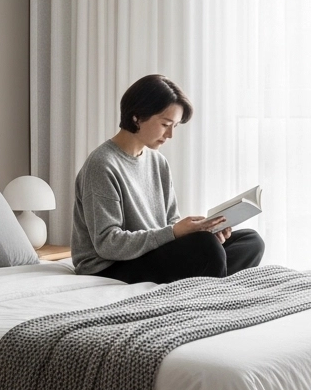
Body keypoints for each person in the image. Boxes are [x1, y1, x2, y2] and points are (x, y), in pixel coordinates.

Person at [71, 73, 264, 283]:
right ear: (137, 116)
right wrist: (177, 233)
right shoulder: (102, 164)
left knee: (251, 241)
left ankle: (216, 279)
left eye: (175, 126)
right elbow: (108, 244)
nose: (170, 134)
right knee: (206, 248)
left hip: (151, 253)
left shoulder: (158, 162)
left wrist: (207, 232)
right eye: (165, 124)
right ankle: (217, 285)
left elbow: (170, 223)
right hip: (110, 266)